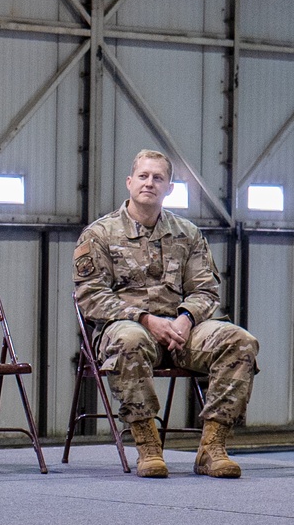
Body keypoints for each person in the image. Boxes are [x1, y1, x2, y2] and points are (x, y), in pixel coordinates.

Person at [73, 149, 258, 479]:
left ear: (169, 188)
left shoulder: (187, 234)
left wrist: (185, 319)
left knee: (240, 341)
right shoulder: (99, 234)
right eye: (143, 176)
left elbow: (206, 291)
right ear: (129, 182)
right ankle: (148, 446)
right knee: (127, 339)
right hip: (129, 329)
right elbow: (91, 297)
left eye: (158, 178)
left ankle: (212, 448)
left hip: (180, 331)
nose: (150, 183)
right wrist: (145, 319)